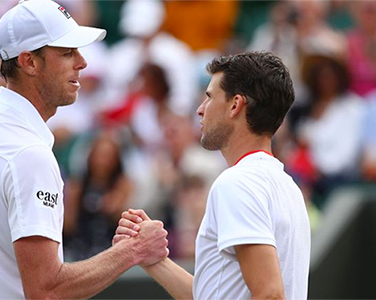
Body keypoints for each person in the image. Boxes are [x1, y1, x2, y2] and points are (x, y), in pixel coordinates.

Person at [0, 0, 169, 299]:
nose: (82, 62)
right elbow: (47, 289)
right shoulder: (28, 153)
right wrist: (134, 250)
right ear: (29, 62)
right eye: (67, 52)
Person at [114, 51, 311, 299]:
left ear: (235, 104)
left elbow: (269, 294)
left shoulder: (237, 182)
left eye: (209, 97)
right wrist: (153, 259)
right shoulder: (288, 187)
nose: (200, 109)